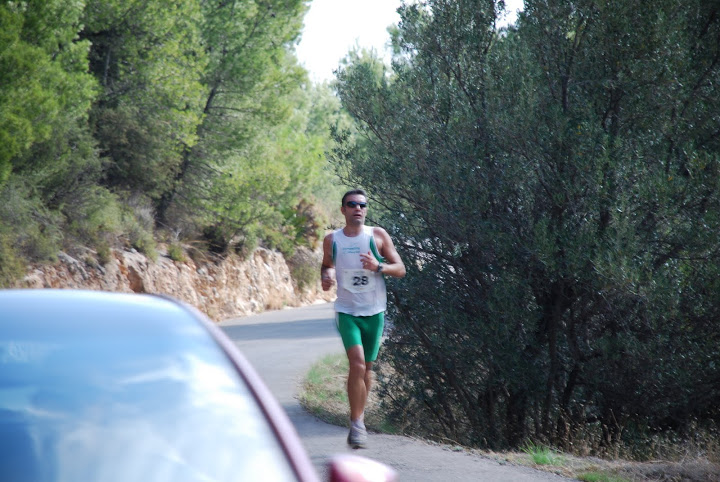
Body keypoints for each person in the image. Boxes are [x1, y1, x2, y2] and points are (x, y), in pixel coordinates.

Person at [321, 189, 406, 448]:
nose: (357, 208)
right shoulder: (332, 239)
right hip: (347, 312)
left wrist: (378, 266)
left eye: (362, 204)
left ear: (366, 209)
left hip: (374, 312)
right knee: (357, 364)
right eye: (352, 204)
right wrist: (326, 276)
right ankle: (357, 423)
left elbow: (400, 269)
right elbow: (327, 264)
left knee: (367, 369)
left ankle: (359, 413)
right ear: (343, 210)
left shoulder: (377, 236)